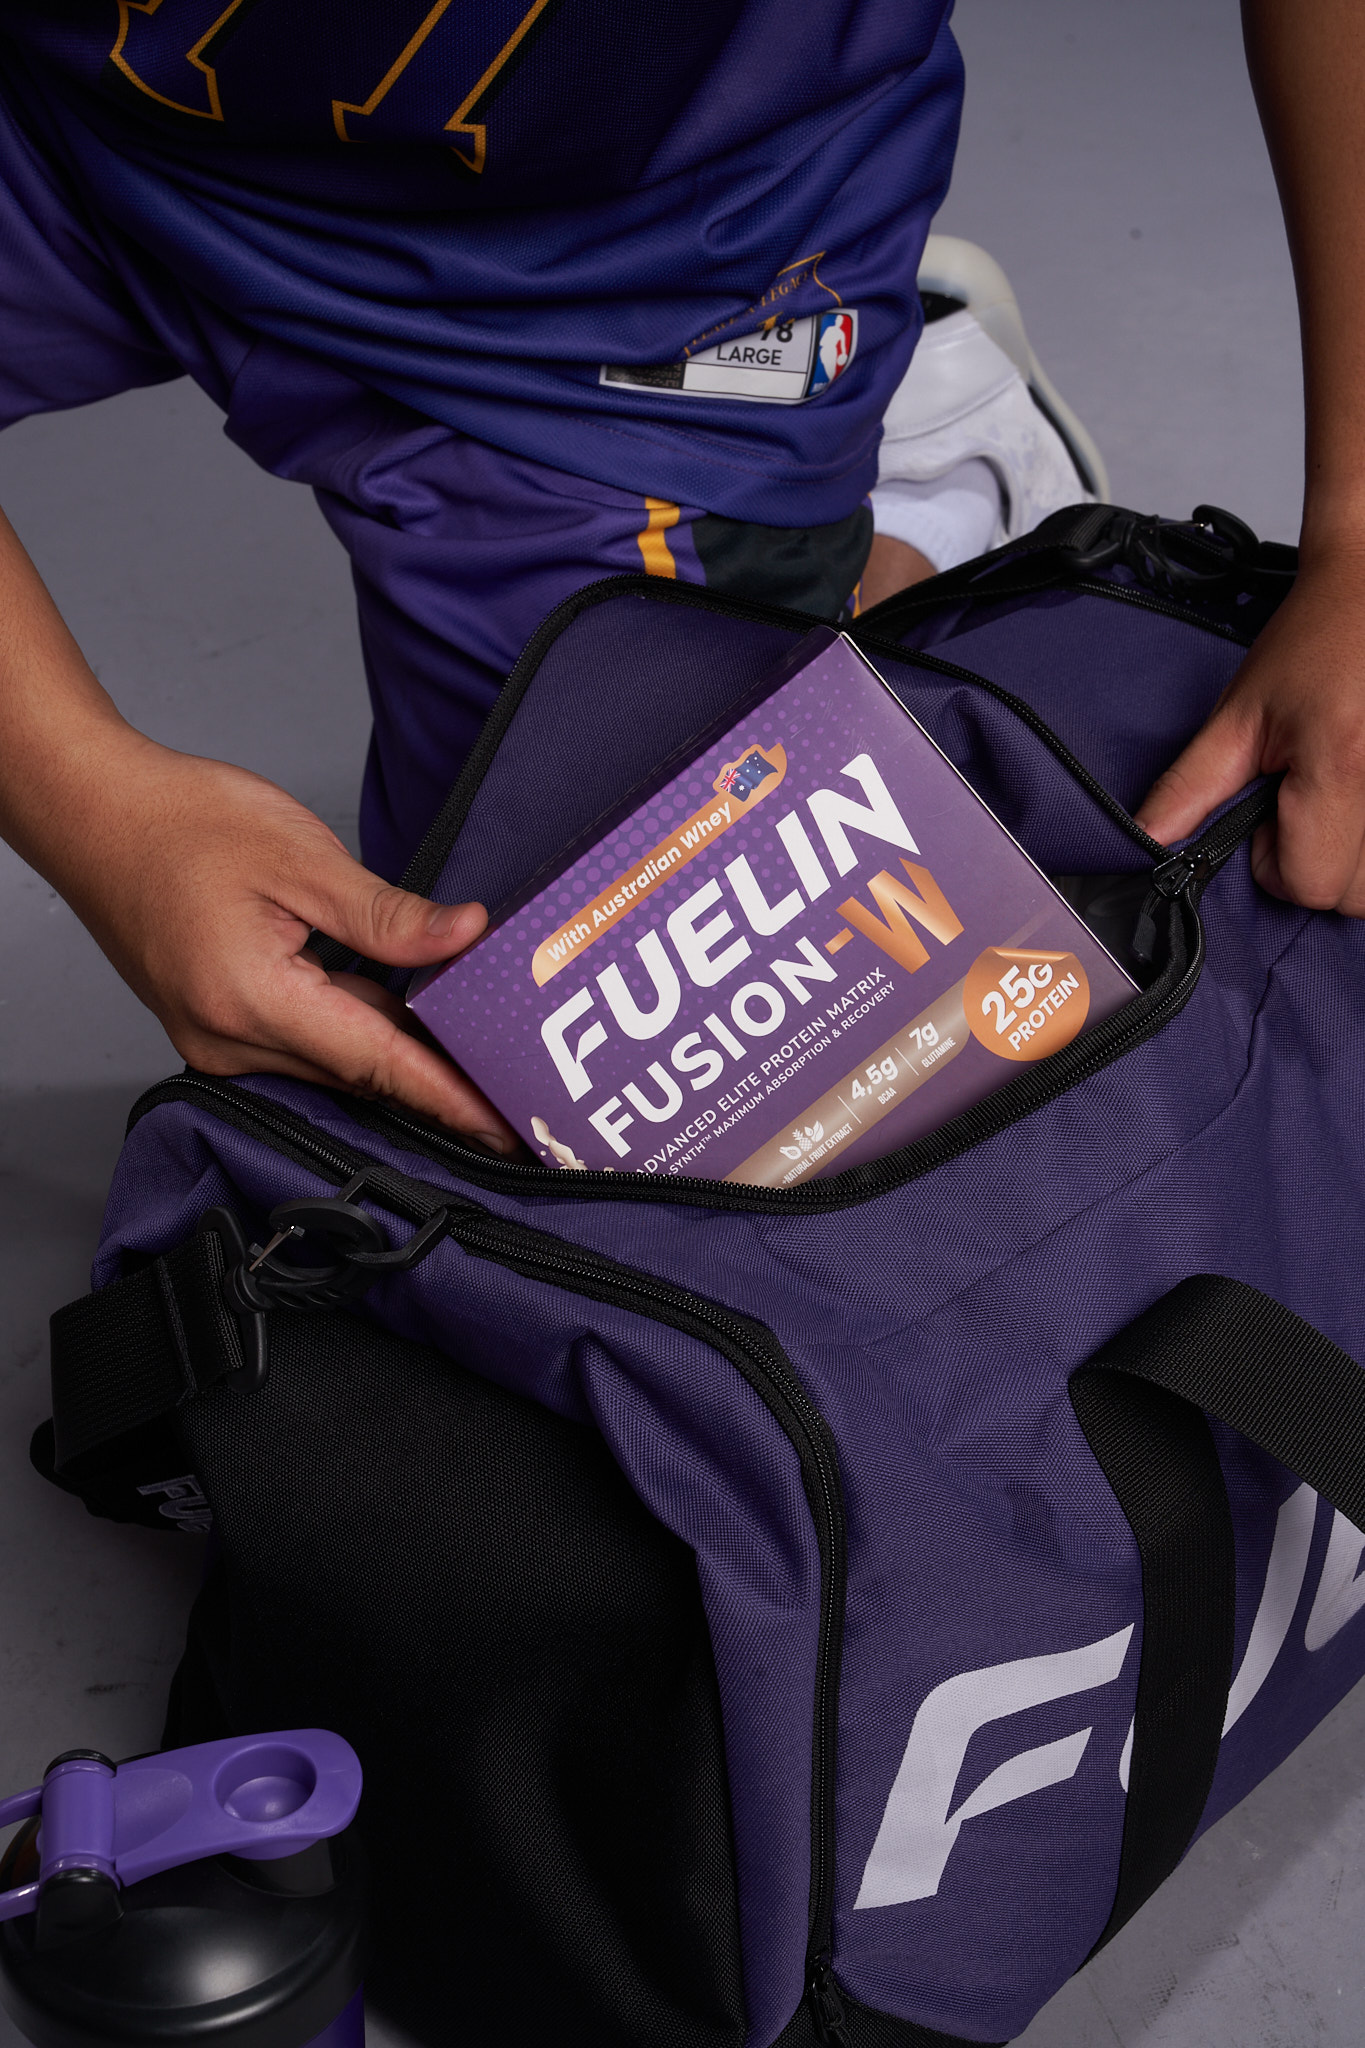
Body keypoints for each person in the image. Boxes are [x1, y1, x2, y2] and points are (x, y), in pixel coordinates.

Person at [0, 1, 1357, 1164]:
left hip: (642, 278)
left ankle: (918, 515)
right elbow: (89, 803)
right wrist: (90, 802)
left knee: (591, 1086)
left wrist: (1358, 534)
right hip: (72, 122)